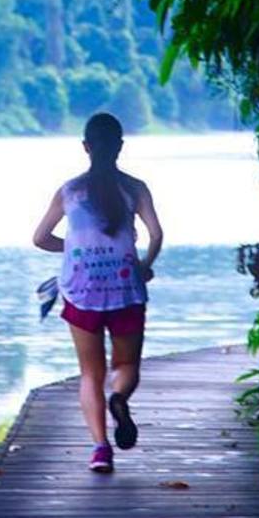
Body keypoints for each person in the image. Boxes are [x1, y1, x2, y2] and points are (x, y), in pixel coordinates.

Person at [33, 112, 164, 473]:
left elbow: (39, 238)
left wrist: (76, 247)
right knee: (126, 366)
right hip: (126, 286)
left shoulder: (69, 191)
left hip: (81, 289)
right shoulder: (136, 188)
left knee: (90, 373)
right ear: (120, 146)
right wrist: (145, 265)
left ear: (86, 147)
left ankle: (100, 449)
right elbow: (155, 234)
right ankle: (119, 398)